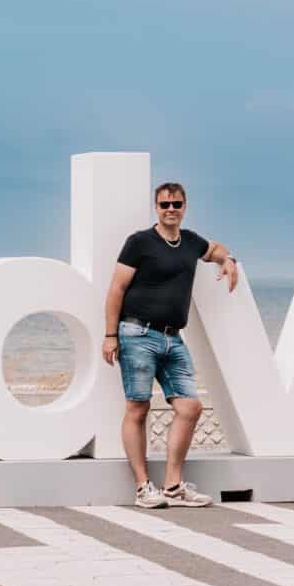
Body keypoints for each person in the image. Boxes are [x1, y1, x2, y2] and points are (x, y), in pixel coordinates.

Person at [102, 182, 240, 508]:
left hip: (173, 338)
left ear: (185, 206)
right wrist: (110, 336)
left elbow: (215, 248)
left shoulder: (190, 242)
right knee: (138, 408)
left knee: (190, 407)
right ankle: (142, 487)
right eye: (164, 204)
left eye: (176, 204)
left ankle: (173, 486)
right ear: (156, 207)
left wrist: (229, 259)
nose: (170, 210)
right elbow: (116, 290)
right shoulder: (139, 242)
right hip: (137, 333)